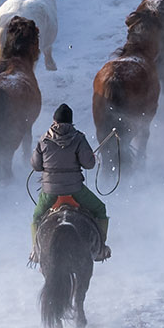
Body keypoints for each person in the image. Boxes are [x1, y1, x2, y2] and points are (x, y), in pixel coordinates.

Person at [30, 104, 109, 262]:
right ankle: (100, 248)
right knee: (100, 209)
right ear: (71, 122)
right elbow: (89, 164)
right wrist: (90, 157)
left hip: (49, 192)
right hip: (75, 190)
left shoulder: (44, 139)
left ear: (54, 120)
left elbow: (35, 165)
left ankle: (36, 252)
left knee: (37, 217)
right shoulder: (79, 138)